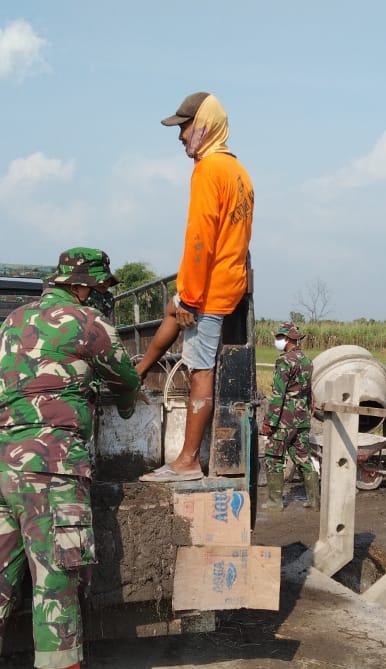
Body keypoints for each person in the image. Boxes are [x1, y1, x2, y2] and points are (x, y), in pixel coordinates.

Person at [0, 248, 139, 669]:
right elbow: (127, 380)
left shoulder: (12, 319)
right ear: (84, 287)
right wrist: (120, 400)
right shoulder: (88, 322)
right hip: (49, 470)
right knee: (56, 579)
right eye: (97, 291)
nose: (98, 299)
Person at [136, 92, 255, 482]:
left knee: (200, 370)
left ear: (204, 125)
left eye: (184, 127)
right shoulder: (238, 172)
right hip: (229, 279)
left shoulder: (208, 170)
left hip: (210, 288)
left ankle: (187, 461)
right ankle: (137, 370)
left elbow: (201, 237)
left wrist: (190, 295)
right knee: (171, 311)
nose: (181, 136)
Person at [261, 322, 317, 512]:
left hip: (284, 420)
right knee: (303, 458)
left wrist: (269, 422)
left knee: (274, 458)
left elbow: (278, 395)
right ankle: (313, 501)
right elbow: (309, 393)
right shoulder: (307, 361)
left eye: (279, 337)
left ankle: (274, 503)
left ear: (289, 339)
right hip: (301, 419)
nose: (277, 341)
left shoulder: (284, 361)